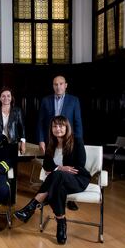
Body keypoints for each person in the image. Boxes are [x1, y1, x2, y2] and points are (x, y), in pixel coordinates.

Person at [15, 116, 90, 245]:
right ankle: (61, 223)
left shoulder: (76, 141)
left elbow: (80, 165)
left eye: (61, 126)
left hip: (77, 179)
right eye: (55, 126)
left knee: (56, 175)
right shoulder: (51, 143)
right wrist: (59, 168)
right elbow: (46, 166)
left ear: (67, 127)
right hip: (59, 181)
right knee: (58, 184)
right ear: (51, 129)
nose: (58, 129)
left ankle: (31, 206)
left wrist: (57, 170)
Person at [37, 75, 83, 211]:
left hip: (69, 140)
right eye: (55, 84)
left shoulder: (74, 100)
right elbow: (40, 122)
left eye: (61, 84)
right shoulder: (46, 101)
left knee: (70, 168)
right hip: (51, 140)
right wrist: (41, 140)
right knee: (53, 166)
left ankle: (69, 197)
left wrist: (78, 141)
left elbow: (77, 122)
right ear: (53, 86)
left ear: (66, 85)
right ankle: (53, 194)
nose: (58, 87)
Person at [0, 87, 26, 204]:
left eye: (8, 96)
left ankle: (11, 199)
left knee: (12, 171)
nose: (6, 98)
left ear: (11, 98)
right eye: (3, 96)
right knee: (0, 170)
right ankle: (1, 196)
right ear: (0, 98)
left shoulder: (17, 111)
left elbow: (22, 128)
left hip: (12, 144)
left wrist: (23, 143)